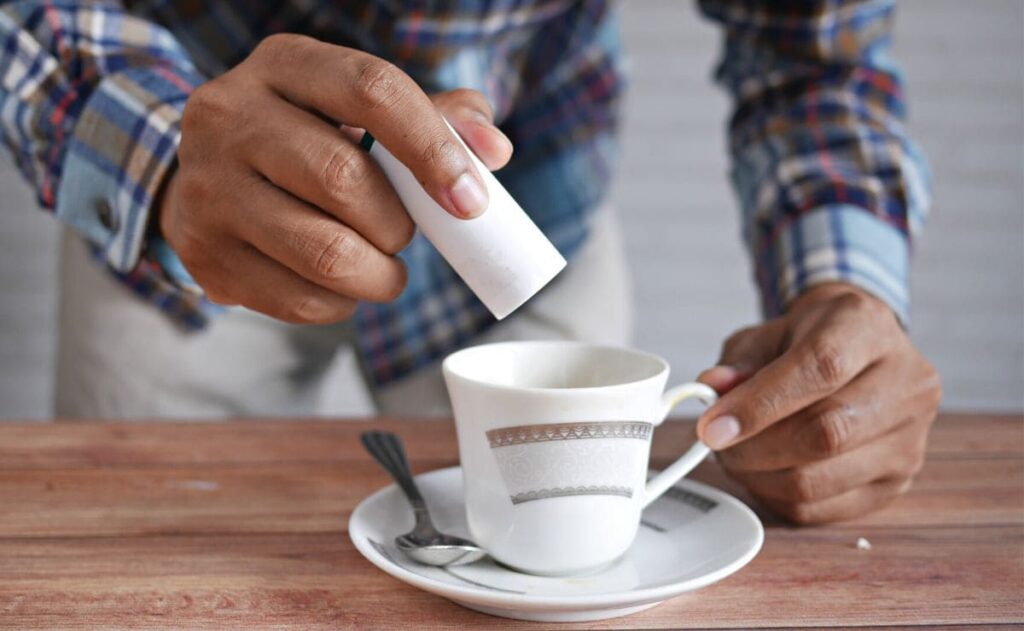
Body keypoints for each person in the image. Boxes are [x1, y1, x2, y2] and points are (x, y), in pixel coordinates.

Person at [0, 0, 940, 524]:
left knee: (565, 539)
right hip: (196, 201)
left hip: (530, 192)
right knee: (153, 538)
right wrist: (159, 153)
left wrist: (846, 290)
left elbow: (814, 55)